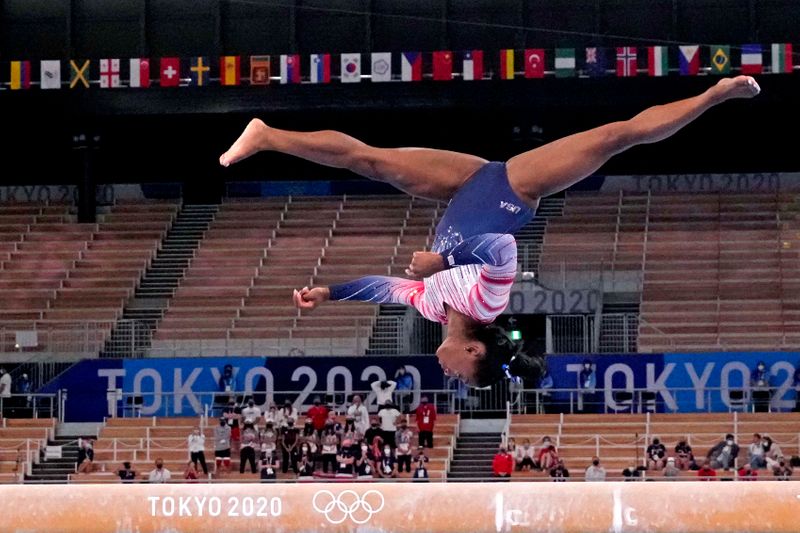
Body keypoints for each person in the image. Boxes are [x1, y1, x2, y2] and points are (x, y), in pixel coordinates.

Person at [219, 77, 763, 388]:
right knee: (613, 136)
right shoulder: (488, 299)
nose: (448, 374)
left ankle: (268, 135)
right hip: (513, 188)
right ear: (475, 351)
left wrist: (330, 292)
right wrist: (445, 264)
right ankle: (715, 94)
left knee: (373, 161)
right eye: (461, 376)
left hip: (465, 186)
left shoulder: (432, 309)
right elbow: (500, 247)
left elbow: (382, 289)